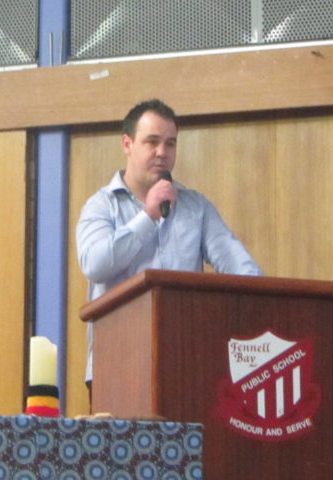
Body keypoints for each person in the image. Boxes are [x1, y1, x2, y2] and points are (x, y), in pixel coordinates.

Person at [76, 98, 263, 386]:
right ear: (127, 144)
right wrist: (148, 216)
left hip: (186, 363)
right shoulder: (101, 205)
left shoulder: (195, 207)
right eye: (152, 142)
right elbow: (95, 265)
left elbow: (242, 268)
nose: (162, 152)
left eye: (170, 143)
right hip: (117, 366)